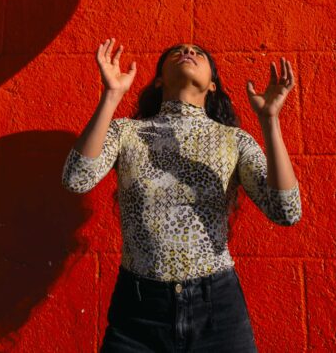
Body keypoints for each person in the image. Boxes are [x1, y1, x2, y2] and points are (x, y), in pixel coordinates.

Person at [62, 39, 302, 352]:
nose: (188, 52)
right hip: (139, 312)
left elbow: (287, 212)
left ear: (213, 85)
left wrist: (270, 120)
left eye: (199, 53)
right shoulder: (126, 132)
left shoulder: (234, 141)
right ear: (159, 79)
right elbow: (76, 179)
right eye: (177, 51)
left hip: (217, 310)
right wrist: (111, 96)